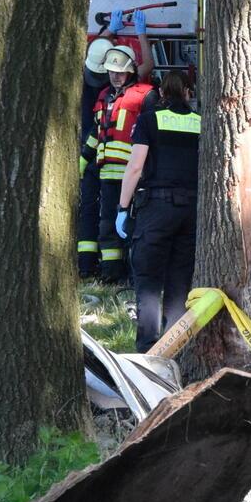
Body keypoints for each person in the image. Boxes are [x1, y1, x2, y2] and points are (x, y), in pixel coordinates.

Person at [117, 69, 200, 351]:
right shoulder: (201, 123)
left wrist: (121, 207)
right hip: (191, 209)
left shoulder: (149, 120)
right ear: (189, 92)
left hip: (157, 207)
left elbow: (136, 166)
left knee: (149, 278)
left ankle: (147, 348)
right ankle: (173, 348)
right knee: (180, 279)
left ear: (161, 93)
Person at [85, 46, 154, 282]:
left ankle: (136, 276)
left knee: (134, 225)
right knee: (107, 225)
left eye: (120, 72)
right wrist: (83, 159)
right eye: (112, 72)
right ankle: (111, 275)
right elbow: (97, 132)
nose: (115, 76)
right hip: (107, 174)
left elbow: (151, 136)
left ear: (131, 71)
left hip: (134, 174)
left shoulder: (146, 95)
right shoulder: (104, 96)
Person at [77, 35, 116, 277]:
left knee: (88, 211)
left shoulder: (79, 80)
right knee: (107, 212)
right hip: (104, 157)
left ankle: (86, 266)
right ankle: (109, 268)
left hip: (87, 155)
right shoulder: (111, 93)